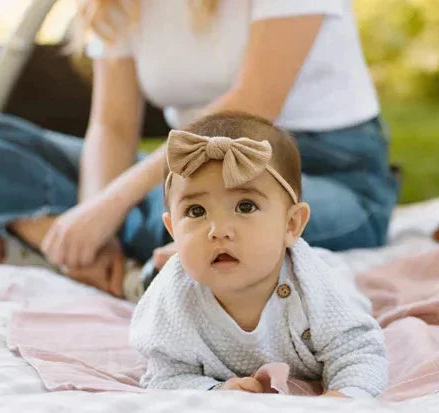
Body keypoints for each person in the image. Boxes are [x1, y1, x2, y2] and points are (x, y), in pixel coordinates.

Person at [0, 0, 398, 297]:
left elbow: (256, 103)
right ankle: (106, 256)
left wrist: (110, 205)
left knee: (193, 212)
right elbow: (112, 124)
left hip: (318, 173)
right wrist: (99, 224)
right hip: (184, 170)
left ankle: (47, 240)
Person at [129, 112, 388, 397]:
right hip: (173, 276)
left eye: (245, 207)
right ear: (173, 230)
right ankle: (143, 275)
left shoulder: (316, 288)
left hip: (326, 271)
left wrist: (341, 398)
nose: (218, 230)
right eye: (196, 211)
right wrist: (217, 388)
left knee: (344, 284)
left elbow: (360, 353)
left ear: (291, 225)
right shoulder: (173, 301)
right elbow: (166, 377)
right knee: (153, 283)